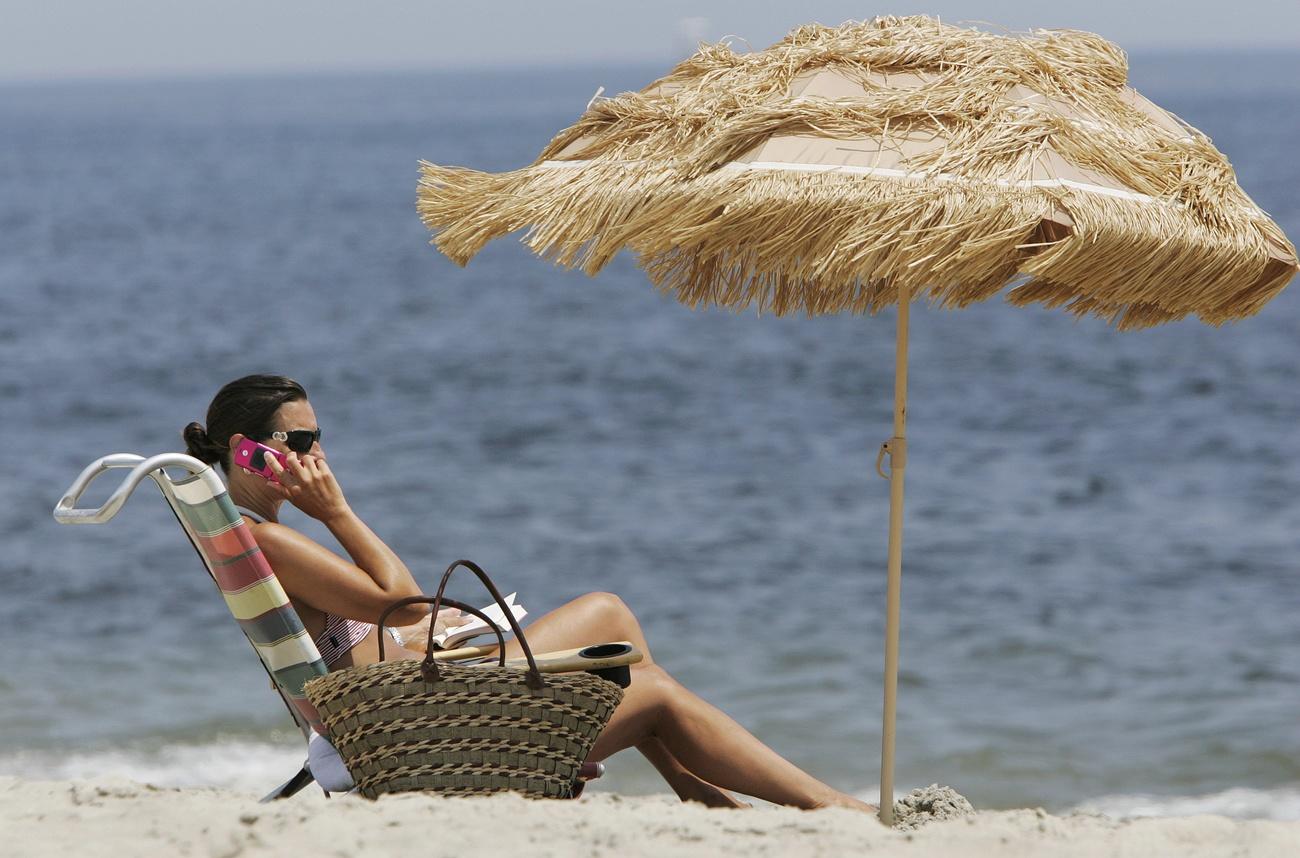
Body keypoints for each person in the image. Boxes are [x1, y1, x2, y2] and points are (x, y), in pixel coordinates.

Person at [183, 374, 874, 813]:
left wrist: (421, 638)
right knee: (649, 685)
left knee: (609, 617)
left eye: (318, 438)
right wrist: (337, 513)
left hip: (400, 712)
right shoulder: (270, 540)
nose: (318, 455)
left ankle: (698, 786)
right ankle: (828, 807)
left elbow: (377, 628)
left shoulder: (252, 535)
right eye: (300, 440)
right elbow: (406, 600)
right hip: (409, 741)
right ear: (248, 451)